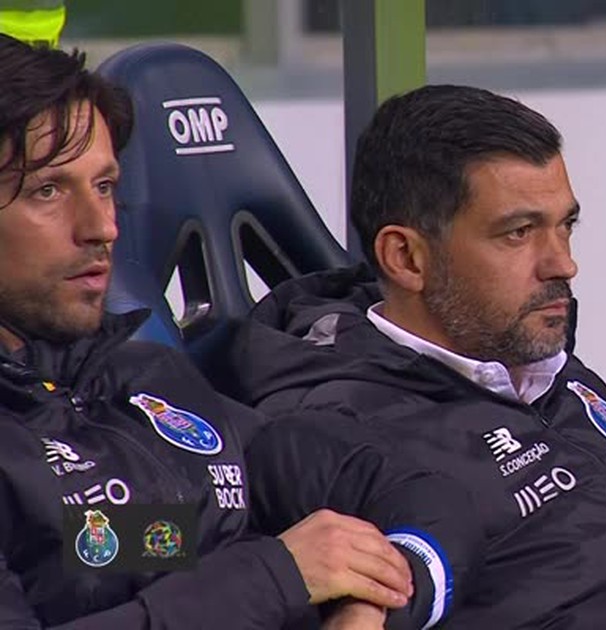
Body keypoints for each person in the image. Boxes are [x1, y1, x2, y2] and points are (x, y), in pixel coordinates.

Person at [233, 84, 606, 628]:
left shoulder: (550, 368)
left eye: (565, 226)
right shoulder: (331, 425)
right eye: (519, 233)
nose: (563, 264)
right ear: (406, 258)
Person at [0, 34, 413, 628]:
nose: (102, 227)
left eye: (105, 186)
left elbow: (401, 484)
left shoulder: (130, 375)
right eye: (48, 191)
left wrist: (365, 602)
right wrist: (275, 576)